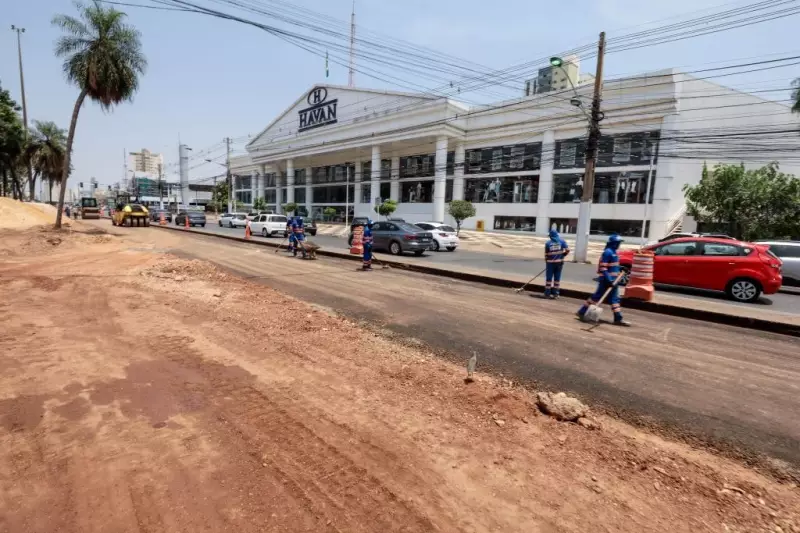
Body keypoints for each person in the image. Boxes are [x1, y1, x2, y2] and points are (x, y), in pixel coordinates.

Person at [577, 233, 630, 326]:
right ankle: (582, 311)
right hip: (607, 281)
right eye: (618, 243)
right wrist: (609, 280)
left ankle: (618, 318)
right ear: (613, 243)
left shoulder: (614, 252)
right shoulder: (608, 252)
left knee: (613, 300)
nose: (619, 245)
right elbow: (603, 268)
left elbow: (613, 266)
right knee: (598, 298)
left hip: (614, 281)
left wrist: (621, 268)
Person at [544, 228, 569, 299]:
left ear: (551, 236)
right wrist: (563, 255)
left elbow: (546, 255)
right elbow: (568, 250)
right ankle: (556, 294)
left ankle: (547, 293)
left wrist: (547, 262)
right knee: (557, 279)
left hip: (550, 264)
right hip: (559, 263)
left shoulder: (548, 243)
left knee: (549, 279)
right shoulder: (562, 241)